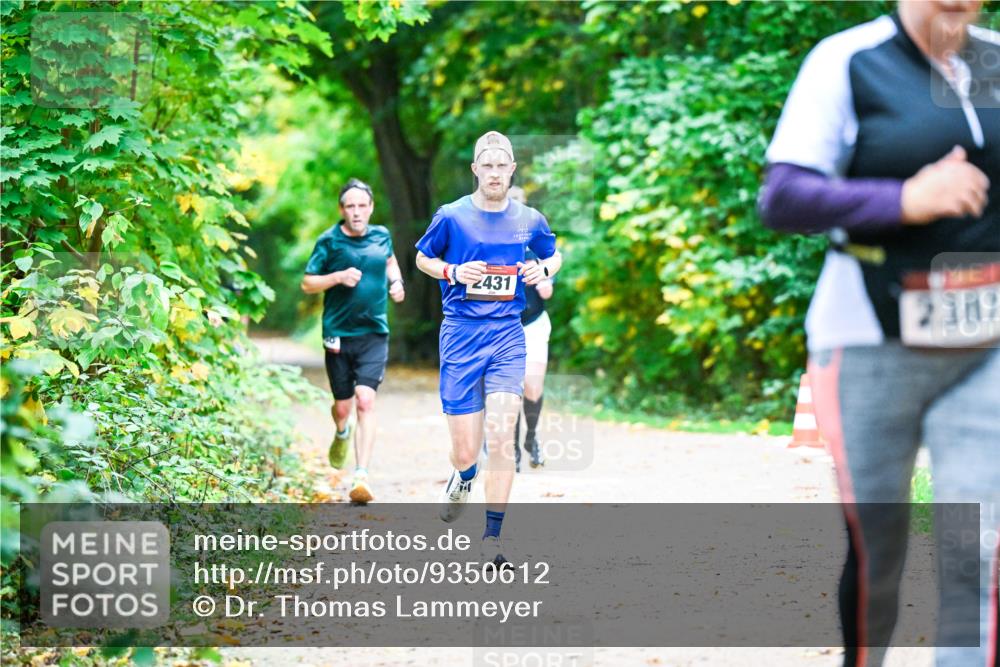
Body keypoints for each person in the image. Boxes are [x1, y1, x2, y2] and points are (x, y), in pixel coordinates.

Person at [758, 2, 998, 666]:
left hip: (984, 345)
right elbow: (782, 197)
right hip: (866, 336)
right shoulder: (846, 60)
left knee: (976, 543)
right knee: (880, 546)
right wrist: (902, 201)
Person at [415, 131, 562, 568]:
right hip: (460, 335)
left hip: (506, 336)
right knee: (467, 452)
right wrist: (453, 271)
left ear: (511, 170)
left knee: (501, 438)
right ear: (475, 169)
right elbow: (423, 257)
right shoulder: (452, 216)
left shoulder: (528, 219)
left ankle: (492, 540)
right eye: (488, 165)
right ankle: (462, 477)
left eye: (503, 165)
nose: (495, 172)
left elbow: (555, 255)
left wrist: (542, 268)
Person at [301, 178, 405, 505]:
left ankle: (361, 474)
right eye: (350, 206)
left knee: (366, 400)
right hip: (338, 334)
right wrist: (338, 277)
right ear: (342, 210)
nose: (357, 212)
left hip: (374, 332)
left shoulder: (382, 235)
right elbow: (307, 283)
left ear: (371, 208)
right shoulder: (329, 242)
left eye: (362, 206)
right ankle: (341, 430)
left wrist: (397, 282)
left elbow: (389, 261)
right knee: (343, 406)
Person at [508, 186, 554, 472]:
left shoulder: (535, 237)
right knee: (510, 390)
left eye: (517, 201)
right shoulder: (491, 237)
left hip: (535, 322)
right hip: (506, 324)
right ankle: (510, 450)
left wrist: (544, 281)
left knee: (532, 387)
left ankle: (531, 438)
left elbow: (548, 286)